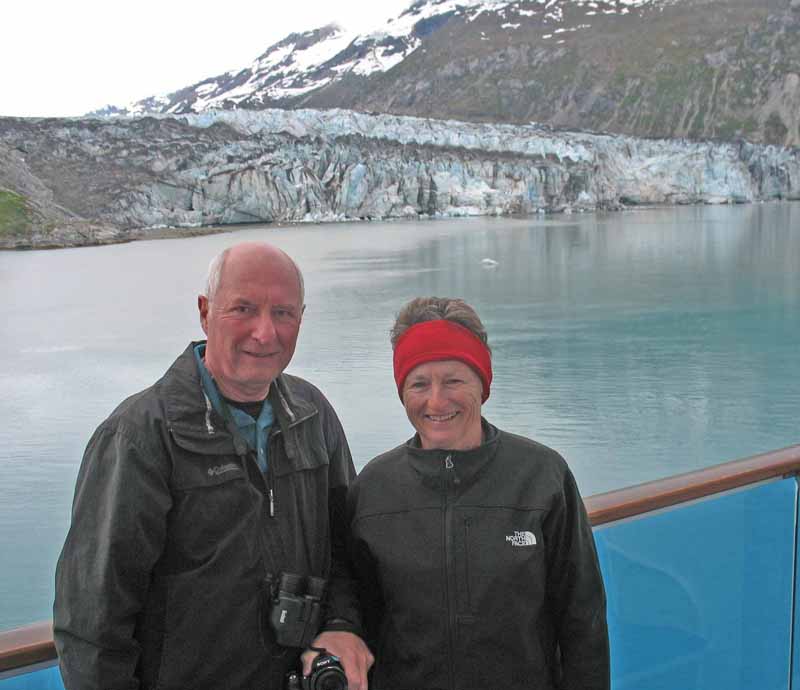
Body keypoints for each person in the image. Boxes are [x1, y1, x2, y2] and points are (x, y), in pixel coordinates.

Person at [54, 242, 373, 690]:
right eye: (243, 308)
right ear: (205, 312)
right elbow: (94, 621)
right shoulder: (140, 436)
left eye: (283, 313)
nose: (265, 333)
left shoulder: (312, 415)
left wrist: (342, 622)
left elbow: (344, 550)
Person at [347, 297, 609, 690]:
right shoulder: (374, 489)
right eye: (419, 383)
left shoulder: (541, 476)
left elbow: (582, 620)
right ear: (402, 391)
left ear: (483, 384)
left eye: (453, 380)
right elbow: (358, 619)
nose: (436, 401)